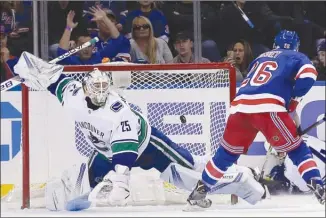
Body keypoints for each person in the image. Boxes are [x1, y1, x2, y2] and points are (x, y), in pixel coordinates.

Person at [13, 52, 268, 210]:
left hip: (147, 145)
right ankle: (239, 175)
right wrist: (28, 66)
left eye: (105, 88)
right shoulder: (73, 96)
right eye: (96, 89)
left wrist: (120, 182)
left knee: (184, 173)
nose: (101, 93)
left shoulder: (116, 110)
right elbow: (52, 78)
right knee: (79, 193)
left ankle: (240, 180)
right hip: (104, 151)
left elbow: (126, 151)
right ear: (86, 89)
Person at [187, 30, 325, 208]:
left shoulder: (260, 58)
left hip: (239, 107)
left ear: (275, 45)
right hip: (268, 108)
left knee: (226, 155)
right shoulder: (297, 56)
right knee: (298, 150)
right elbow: (309, 75)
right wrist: (293, 99)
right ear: (296, 46)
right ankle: (318, 186)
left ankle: (199, 191)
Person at [57, 8, 130, 65]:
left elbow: (118, 40)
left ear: (93, 47)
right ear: (76, 47)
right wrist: (68, 28)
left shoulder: (99, 57)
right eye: (82, 45)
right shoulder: (72, 60)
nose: (86, 49)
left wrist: (104, 18)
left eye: (89, 45)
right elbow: (61, 53)